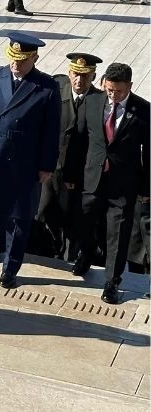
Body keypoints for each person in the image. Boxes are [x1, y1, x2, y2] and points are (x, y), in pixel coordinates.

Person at [0, 32, 61, 289]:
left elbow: (51, 131)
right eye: (13, 58)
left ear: (35, 58)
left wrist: (46, 165)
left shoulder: (46, 87)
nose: (16, 64)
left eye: (23, 60)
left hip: (24, 160)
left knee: (20, 216)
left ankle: (11, 265)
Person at [68, 62, 148, 304]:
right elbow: (79, 139)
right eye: (110, 90)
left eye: (119, 91)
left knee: (118, 234)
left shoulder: (144, 111)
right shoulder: (92, 103)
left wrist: (147, 188)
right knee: (83, 220)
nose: (113, 96)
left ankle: (112, 281)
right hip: (92, 177)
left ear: (130, 87)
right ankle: (87, 252)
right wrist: (72, 174)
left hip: (123, 184)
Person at [35, 53, 102, 260]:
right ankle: (49, 249)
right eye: (75, 74)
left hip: (77, 176)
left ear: (93, 76)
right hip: (50, 170)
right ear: (69, 72)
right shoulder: (56, 89)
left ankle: (71, 256)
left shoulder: (98, 101)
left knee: (72, 220)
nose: (79, 80)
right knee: (43, 213)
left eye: (85, 76)